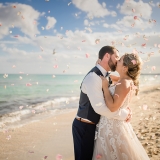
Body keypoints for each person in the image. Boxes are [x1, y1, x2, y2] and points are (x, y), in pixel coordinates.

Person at [72, 46, 132, 160]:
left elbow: (123, 83)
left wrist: (126, 107)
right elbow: (100, 108)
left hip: (94, 127)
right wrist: (124, 114)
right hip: (84, 127)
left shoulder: (105, 75)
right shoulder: (93, 77)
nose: (117, 60)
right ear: (107, 56)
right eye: (117, 57)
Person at [92, 53, 150, 160]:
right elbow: (107, 76)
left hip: (113, 128)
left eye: (120, 60)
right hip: (114, 124)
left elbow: (113, 107)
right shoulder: (123, 80)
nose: (117, 61)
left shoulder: (124, 82)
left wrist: (105, 88)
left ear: (124, 68)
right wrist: (100, 66)